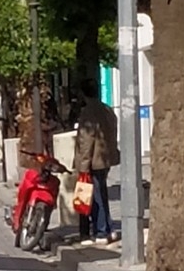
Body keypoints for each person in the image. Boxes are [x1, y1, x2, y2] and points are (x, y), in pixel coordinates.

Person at [74, 79, 120, 246]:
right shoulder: (107, 110)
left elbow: (86, 140)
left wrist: (83, 164)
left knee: (95, 197)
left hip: (93, 160)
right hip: (105, 158)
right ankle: (108, 228)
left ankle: (101, 231)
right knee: (102, 193)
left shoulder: (88, 112)